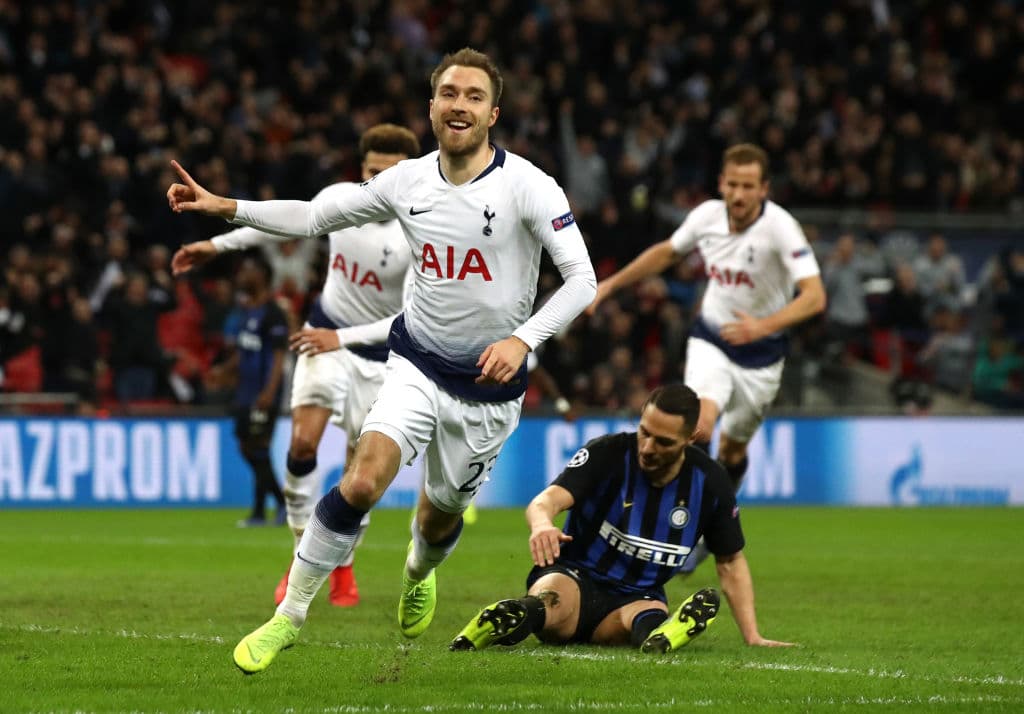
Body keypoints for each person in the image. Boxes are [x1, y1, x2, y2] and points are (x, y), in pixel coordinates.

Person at [166, 47, 597, 673]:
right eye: (449, 93)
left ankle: (418, 571)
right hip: (416, 361)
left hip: (488, 388)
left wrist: (522, 339)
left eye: (474, 96)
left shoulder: (529, 186)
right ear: (431, 106)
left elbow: (582, 280)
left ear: (493, 113)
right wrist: (228, 207)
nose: (460, 105)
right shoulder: (407, 180)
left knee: (439, 518)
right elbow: (315, 216)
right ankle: (288, 619)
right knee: (363, 480)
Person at [172, 124, 421, 608]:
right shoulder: (344, 200)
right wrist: (217, 246)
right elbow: (290, 220)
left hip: (379, 358)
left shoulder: (421, 234)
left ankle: (343, 564)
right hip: (322, 337)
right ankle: (299, 558)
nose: (377, 184)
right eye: (371, 172)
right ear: (361, 169)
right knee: (302, 444)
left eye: (388, 176)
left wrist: (341, 338)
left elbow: (407, 316)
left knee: (359, 478)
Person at [450, 384, 792, 652]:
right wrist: (542, 524)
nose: (647, 447)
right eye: (644, 432)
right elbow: (547, 500)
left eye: (663, 441)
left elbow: (730, 561)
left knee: (644, 615)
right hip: (575, 577)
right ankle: (508, 619)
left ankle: (663, 635)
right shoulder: (608, 453)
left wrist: (753, 636)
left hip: (636, 596)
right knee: (551, 600)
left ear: (690, 439)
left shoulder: (711, 483)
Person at [589, 144, 826, 497]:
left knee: (732, 451)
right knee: (700, 428)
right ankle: (681, 521)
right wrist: (609, 285)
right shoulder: (707, 216)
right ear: (721, 183)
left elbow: (815, 296)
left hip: (761, 354)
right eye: (732, 184)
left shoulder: (781, 228)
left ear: (764, 189)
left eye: (748, 186)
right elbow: (668, 252)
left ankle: (716, 518)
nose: (738, 194)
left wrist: (763, 326)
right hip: (712, 337)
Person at [223, 253, 289, 527]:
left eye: (248, 269)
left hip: (263, 392)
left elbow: (278, 356)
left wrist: (269, 392)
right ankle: (262, 511)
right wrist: (225, 369)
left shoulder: (274, 313)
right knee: (246, 445)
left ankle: (280, 506)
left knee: (258, 447)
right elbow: (246, 349)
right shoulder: (247, 311)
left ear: (262, 276)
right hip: (245, 391)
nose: (242, 275)